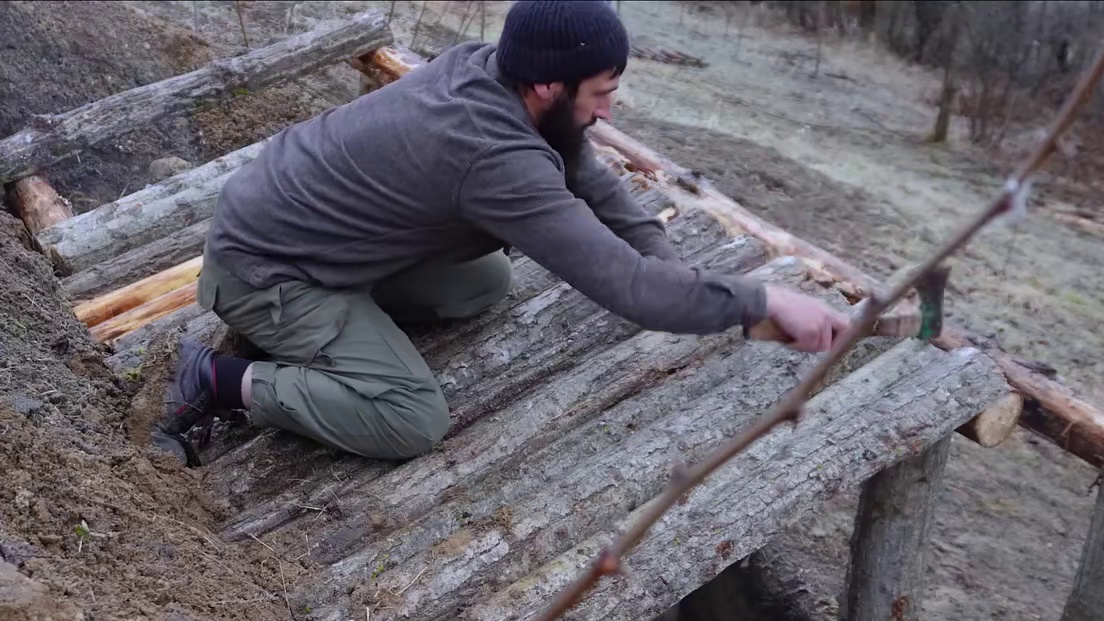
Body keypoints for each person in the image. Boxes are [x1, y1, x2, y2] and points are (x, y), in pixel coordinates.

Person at [152, 0, 850, 466]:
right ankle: (219, 377)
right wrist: (761, 301)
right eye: (602, 92)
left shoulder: (495, 70)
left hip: (312, 229)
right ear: (549, 85)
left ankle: (323, 332)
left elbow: (591, 173)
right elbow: (632, 291)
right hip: (263, 267)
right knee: (410, 418)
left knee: (486, 281)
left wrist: (680, 276)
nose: (610, 110)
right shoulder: (494, 159)